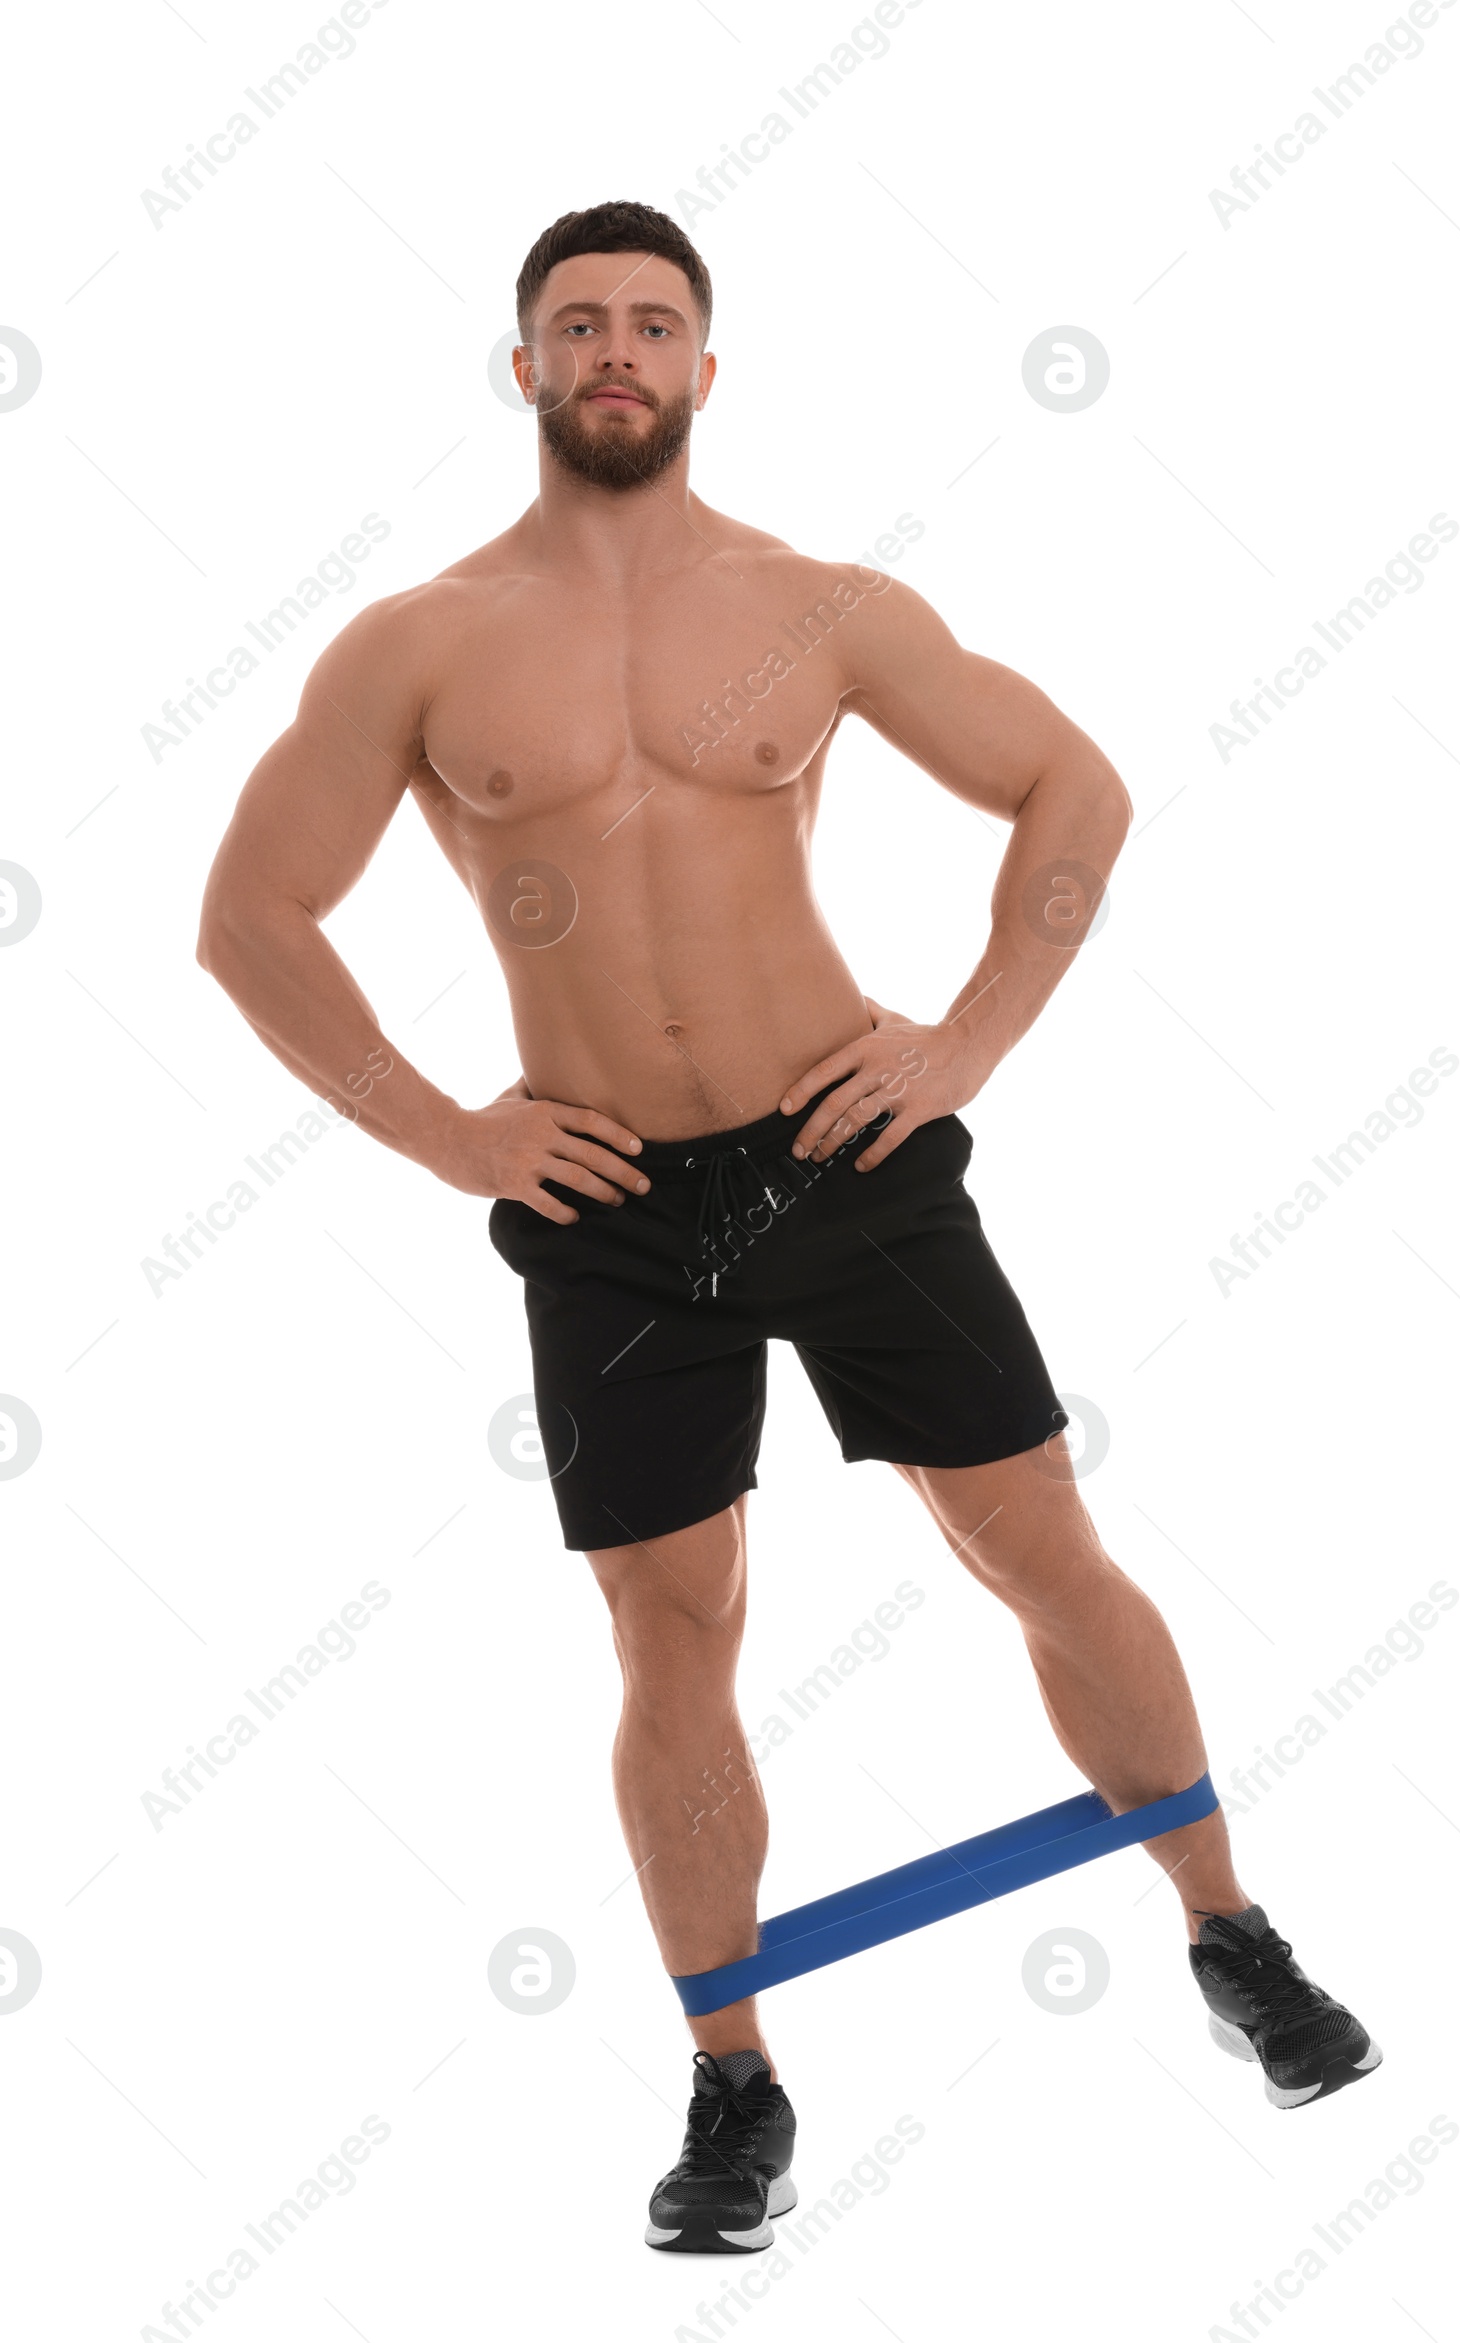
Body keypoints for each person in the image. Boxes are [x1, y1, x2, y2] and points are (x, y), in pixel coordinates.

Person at [196, 198, 1380, 2258]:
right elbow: (248, 919)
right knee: (673, 1626)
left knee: (1032, 1538)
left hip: (844, 1148)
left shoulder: (813, 603)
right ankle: (732, 2079)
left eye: (654, 321)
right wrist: (449, 1135)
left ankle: (1229, 1927)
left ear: (706, 368)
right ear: (528, 368)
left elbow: (1071, 789)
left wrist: (969, 1040)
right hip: (606, 1208)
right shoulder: (418, 642)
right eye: (581, 324)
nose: (618, 349)